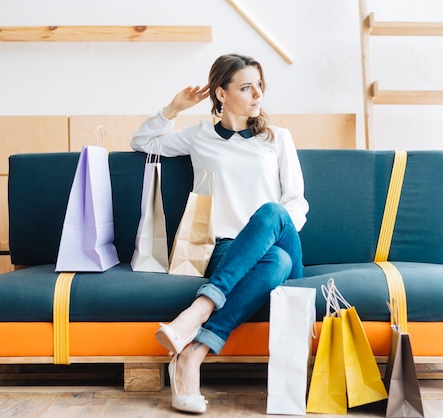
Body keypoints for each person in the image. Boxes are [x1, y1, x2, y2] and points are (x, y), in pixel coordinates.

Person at [130, 53, 309, 414]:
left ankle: (197, 311)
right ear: (221, 94)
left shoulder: (277, 138)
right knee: (275, 262)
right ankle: (193, 354)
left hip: (280, 234)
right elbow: (143, 142)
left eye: (260, 85)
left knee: (272, 217)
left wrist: (266, 229)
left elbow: (296, 202)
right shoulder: (199, 136)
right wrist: (172, 109)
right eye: (246, 87)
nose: (258, 94)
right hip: (227, 251)